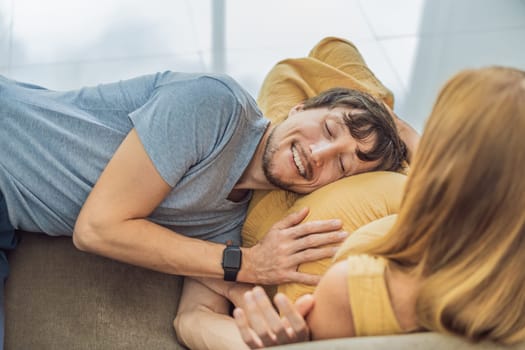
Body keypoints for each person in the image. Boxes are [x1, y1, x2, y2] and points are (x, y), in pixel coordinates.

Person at [0, 69, 408, 346]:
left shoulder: (231, 220)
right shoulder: (216, 105)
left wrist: (275, 342)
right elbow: (96, 228)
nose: (318, 153)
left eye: (341, 165)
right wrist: (247, 264)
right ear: (298, 109)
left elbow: (192, 320)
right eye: (329, 129)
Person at [232, 66, 525, 348]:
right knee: (329, 67)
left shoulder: (356, 287)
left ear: (441, 169)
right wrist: (399, 128)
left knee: (293, 73)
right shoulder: (505, 300)